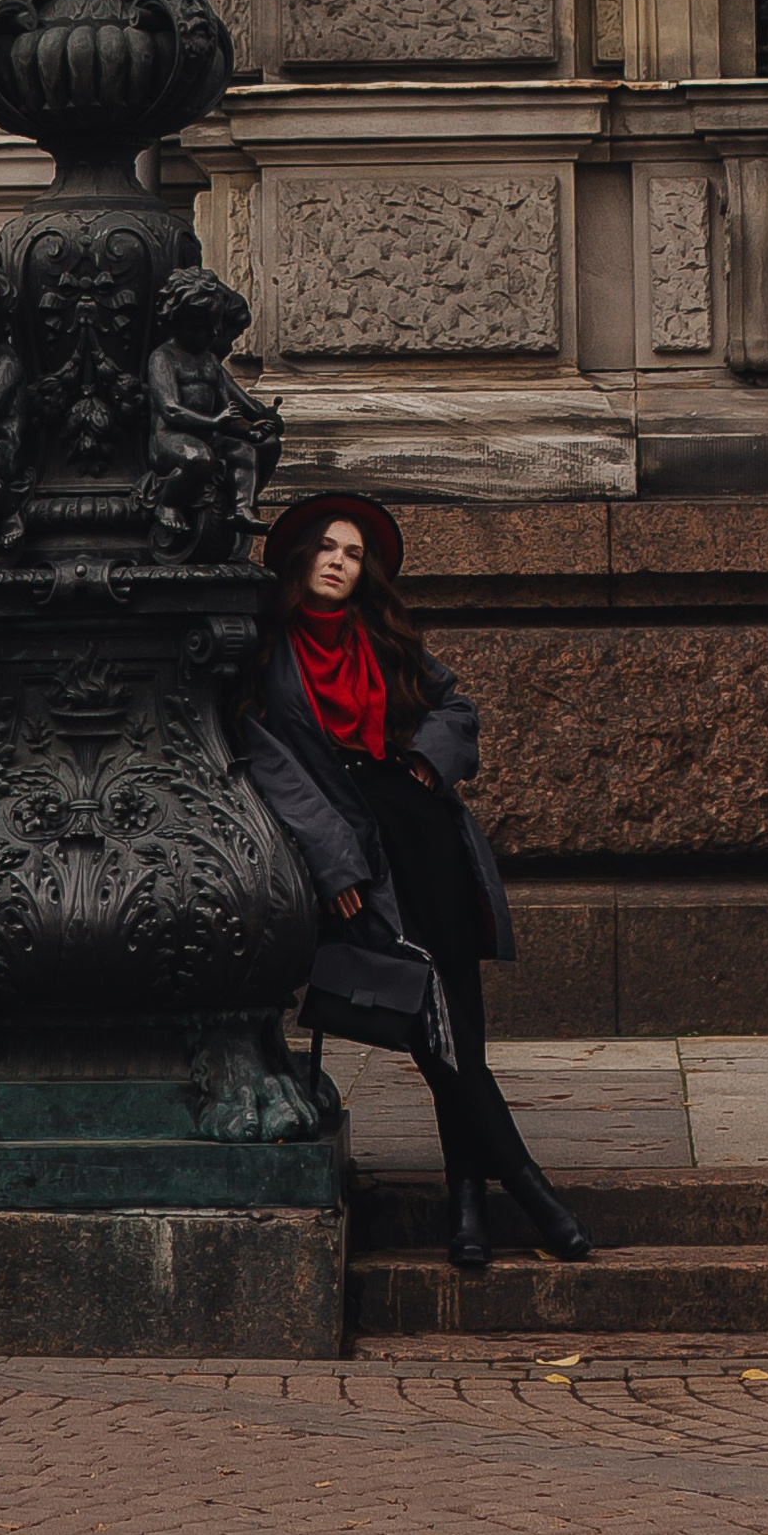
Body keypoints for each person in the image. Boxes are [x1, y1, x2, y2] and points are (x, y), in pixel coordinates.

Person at [238, 486, 593, 1273]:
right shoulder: (267, 649)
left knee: (457, 1017)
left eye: (354, 554)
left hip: (424, 829)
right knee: (432, 1017)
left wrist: (429, 761)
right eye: (328, 549)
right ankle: (531, 1191)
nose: (339, 562)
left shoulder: (382, 634)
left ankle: (467, 1205)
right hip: (360, 852)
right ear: (303, 559)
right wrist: (335, 863)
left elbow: (456, 706)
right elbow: (274, 770)